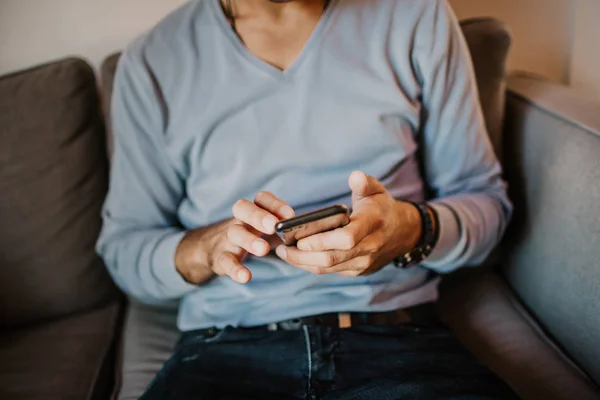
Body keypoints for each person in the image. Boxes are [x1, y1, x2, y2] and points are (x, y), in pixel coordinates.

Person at [97, 0, 518, 398]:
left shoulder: (415, 16)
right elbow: (125, 252)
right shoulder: (153, 61)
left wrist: (409, 229)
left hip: (397, 339)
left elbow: (487, 206)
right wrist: (205, 249)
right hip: (226, 348)